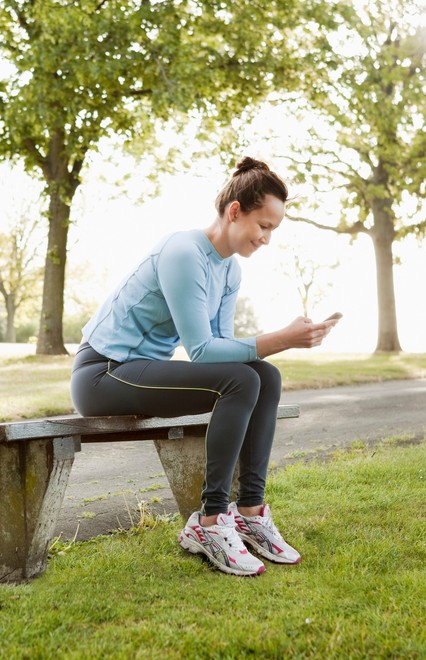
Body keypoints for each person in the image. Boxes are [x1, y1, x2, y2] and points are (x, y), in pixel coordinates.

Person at [70, 157, 339, 576]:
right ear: (235, 211)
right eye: (263, 226)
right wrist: (282, 338)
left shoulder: (229, 271)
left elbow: (227, 346)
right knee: (239, 379)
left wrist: (279, 346)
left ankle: (249, 511)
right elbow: (202, 351)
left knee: (264, 375)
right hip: (102, 373)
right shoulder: (183, 252)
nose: (267, 238)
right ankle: (211, 521)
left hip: (137, 369)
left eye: (273, 230)